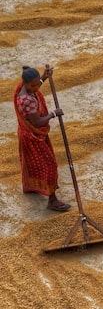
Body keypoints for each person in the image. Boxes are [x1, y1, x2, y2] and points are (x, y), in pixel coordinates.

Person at [14, 65, 70, 211]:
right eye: (33, 85)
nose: (36, 88)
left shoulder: (24, 88)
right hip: (33, 138)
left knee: (31, 163)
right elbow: (38, 121)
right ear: (25, 83)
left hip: (27, 135)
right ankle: (52, 200)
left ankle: (31, 186)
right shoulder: (28, 101)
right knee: (49, 166)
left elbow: (36, 84)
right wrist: (54, 113)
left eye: (37, 84)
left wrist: (44, 76)